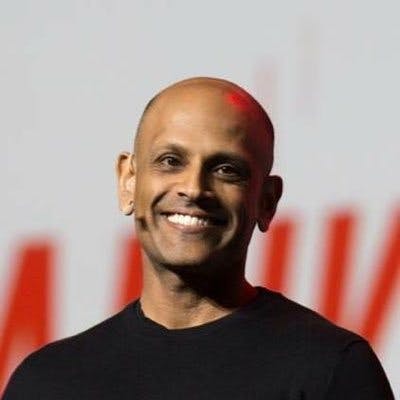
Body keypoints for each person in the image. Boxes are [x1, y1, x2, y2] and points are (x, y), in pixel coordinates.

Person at [3, 77, 394, 399]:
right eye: (170, 161)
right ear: (128, 181)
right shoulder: (45, 383)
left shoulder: (332, 371)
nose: (193, 188)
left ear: (266, 201)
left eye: (226, 169)